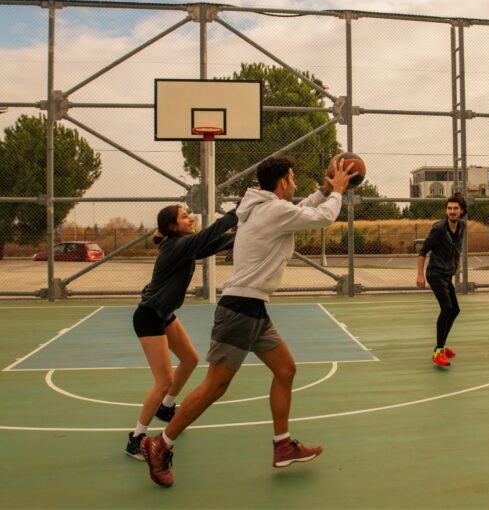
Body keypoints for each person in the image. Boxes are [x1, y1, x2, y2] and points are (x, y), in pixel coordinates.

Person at [140, 154, 356, 487]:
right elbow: (321, 218)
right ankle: (161, 443)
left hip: (253, 308)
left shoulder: (265, 206)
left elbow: (303, 210)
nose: (295, 183)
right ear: (283, 182)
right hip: (240, 309)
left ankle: (282, 445)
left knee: (286, 370)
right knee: (215, 386)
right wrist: (338, 191)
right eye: (293, 178)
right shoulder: (274, 210)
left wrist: (324, 191)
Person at [125, 205, 237, 460]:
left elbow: (216, 243)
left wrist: (251, 231)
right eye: (184, 216)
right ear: (173, 227)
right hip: (149, 317)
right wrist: (236, 214)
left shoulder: (184, 244)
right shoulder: (176, 246)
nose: (191, 218)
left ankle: (166, 408)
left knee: (190, 359)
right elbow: (210, 236)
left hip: (164, 315)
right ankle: (136, 438)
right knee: (164, 381)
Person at [416, 193, 467, 367]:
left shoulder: (462, 226)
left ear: (461, 211)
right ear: (446, 210)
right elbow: (423, 251)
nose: (452, 211)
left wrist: (457, 263)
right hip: (435, 274)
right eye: (449, 208)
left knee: (455, 310)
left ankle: (442, 347)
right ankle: (438, 351)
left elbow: (458, 247)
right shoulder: (438, 229)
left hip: (446, 274)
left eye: (455, 208)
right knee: (447, 308)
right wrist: (420, 275)